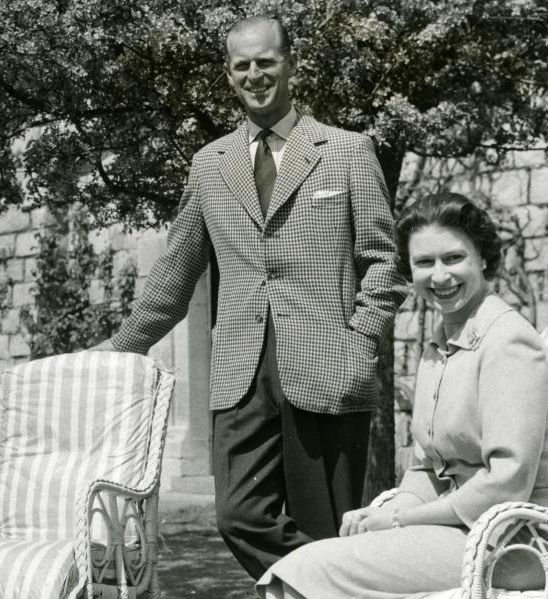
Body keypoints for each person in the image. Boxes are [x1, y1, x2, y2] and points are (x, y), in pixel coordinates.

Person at [92, 15, 405, 579]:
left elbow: (382, 262)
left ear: (291, 65)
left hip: (328, 367)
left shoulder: (348, 151)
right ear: (229, 75)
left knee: (327, 522)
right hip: (240, 376)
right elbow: (176, 273)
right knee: (238, 515)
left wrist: (360, 343)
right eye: (242, 65)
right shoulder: (210, 165)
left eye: (266, 61)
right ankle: (342, 584)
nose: (255, 75)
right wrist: (119, 349)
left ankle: (328, 581)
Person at [256, 192, 548, 598]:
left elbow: (505, 484)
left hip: (518, 542)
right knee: (308, 567)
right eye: (424, 263)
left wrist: (402, 520)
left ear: (485, 260)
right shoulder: (440, 344)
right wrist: (385, 510)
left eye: (454, 258)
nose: (439, 276)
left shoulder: (509, 343)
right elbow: (428, 467)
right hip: (464, 530)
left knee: (305, 571)